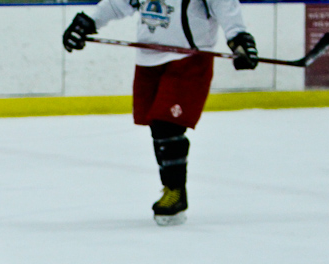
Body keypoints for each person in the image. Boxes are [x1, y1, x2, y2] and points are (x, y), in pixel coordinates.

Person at [63, 0, 259, 226]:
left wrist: (238, 38)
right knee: (158, 126)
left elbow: (224, 5)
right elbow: (119, 4)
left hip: (189, 58)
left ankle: (176, 193)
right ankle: (170, 188)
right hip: (148, 58)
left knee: (167, 124)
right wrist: (88, 21)